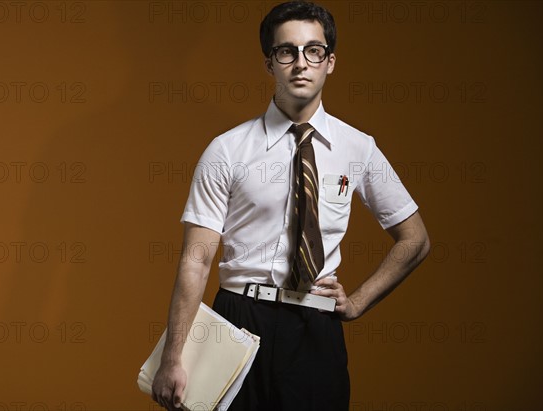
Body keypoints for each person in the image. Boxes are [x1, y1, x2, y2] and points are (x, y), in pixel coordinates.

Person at [151, 1, 430, 410]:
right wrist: (173, 357)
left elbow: (415, 239)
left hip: (315, 329)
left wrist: (358, 302)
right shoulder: (227, 150)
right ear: (270, 64)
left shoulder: (359, 148)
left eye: (313, 51)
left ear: (330, 62)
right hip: (237, 322)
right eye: (287, 51)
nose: (301, 63)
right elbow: (196, 258)